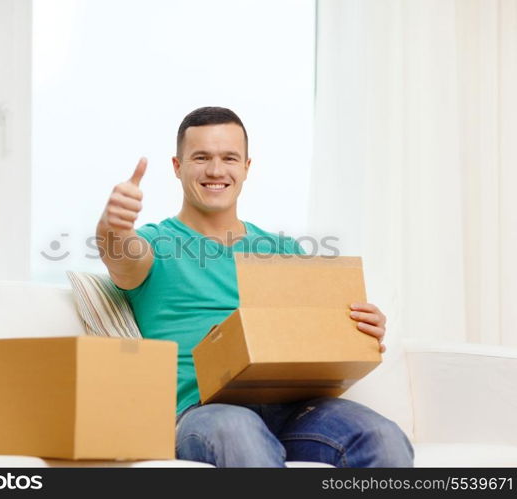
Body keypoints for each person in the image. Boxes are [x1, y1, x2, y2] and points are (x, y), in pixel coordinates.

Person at [96, 106, 414, 467]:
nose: (216, 170)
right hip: (207, 411)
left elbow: (322, 334)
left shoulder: (283, 251)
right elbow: (120, 254)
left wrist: (363, 326)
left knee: (382, 437)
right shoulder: (157, 243)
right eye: (201, 157)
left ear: (246, 167)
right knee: (239, 431)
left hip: (296, 408)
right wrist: (114, 224)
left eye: (229, 158)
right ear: (177, 166)